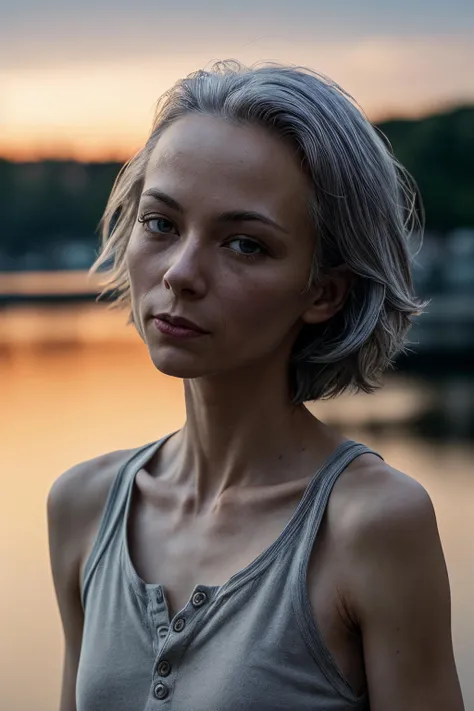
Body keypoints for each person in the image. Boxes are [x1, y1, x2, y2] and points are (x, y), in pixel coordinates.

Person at [47, 60, 465, 711]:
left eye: (244, 244)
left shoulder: (372, 524)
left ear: (324, 291)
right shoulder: (83, 506)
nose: (181, 273)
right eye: (160, 224)